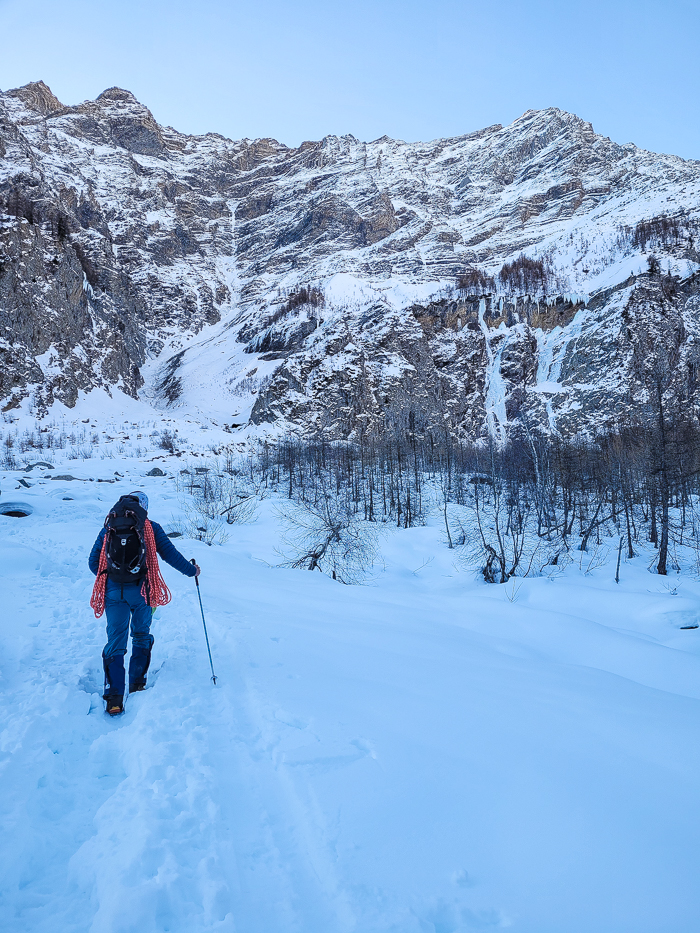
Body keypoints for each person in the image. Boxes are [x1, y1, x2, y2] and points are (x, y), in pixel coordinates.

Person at [88, 490, 200, 715]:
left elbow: (93, 563)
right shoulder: (151, 528)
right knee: (140, 634)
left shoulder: (109, 526)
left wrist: (113, 577)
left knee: (116, 640)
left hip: (113, 592)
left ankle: (114, 697)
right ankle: (137, 685)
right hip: (143, 591)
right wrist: (192, 570)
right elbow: (171, 555)